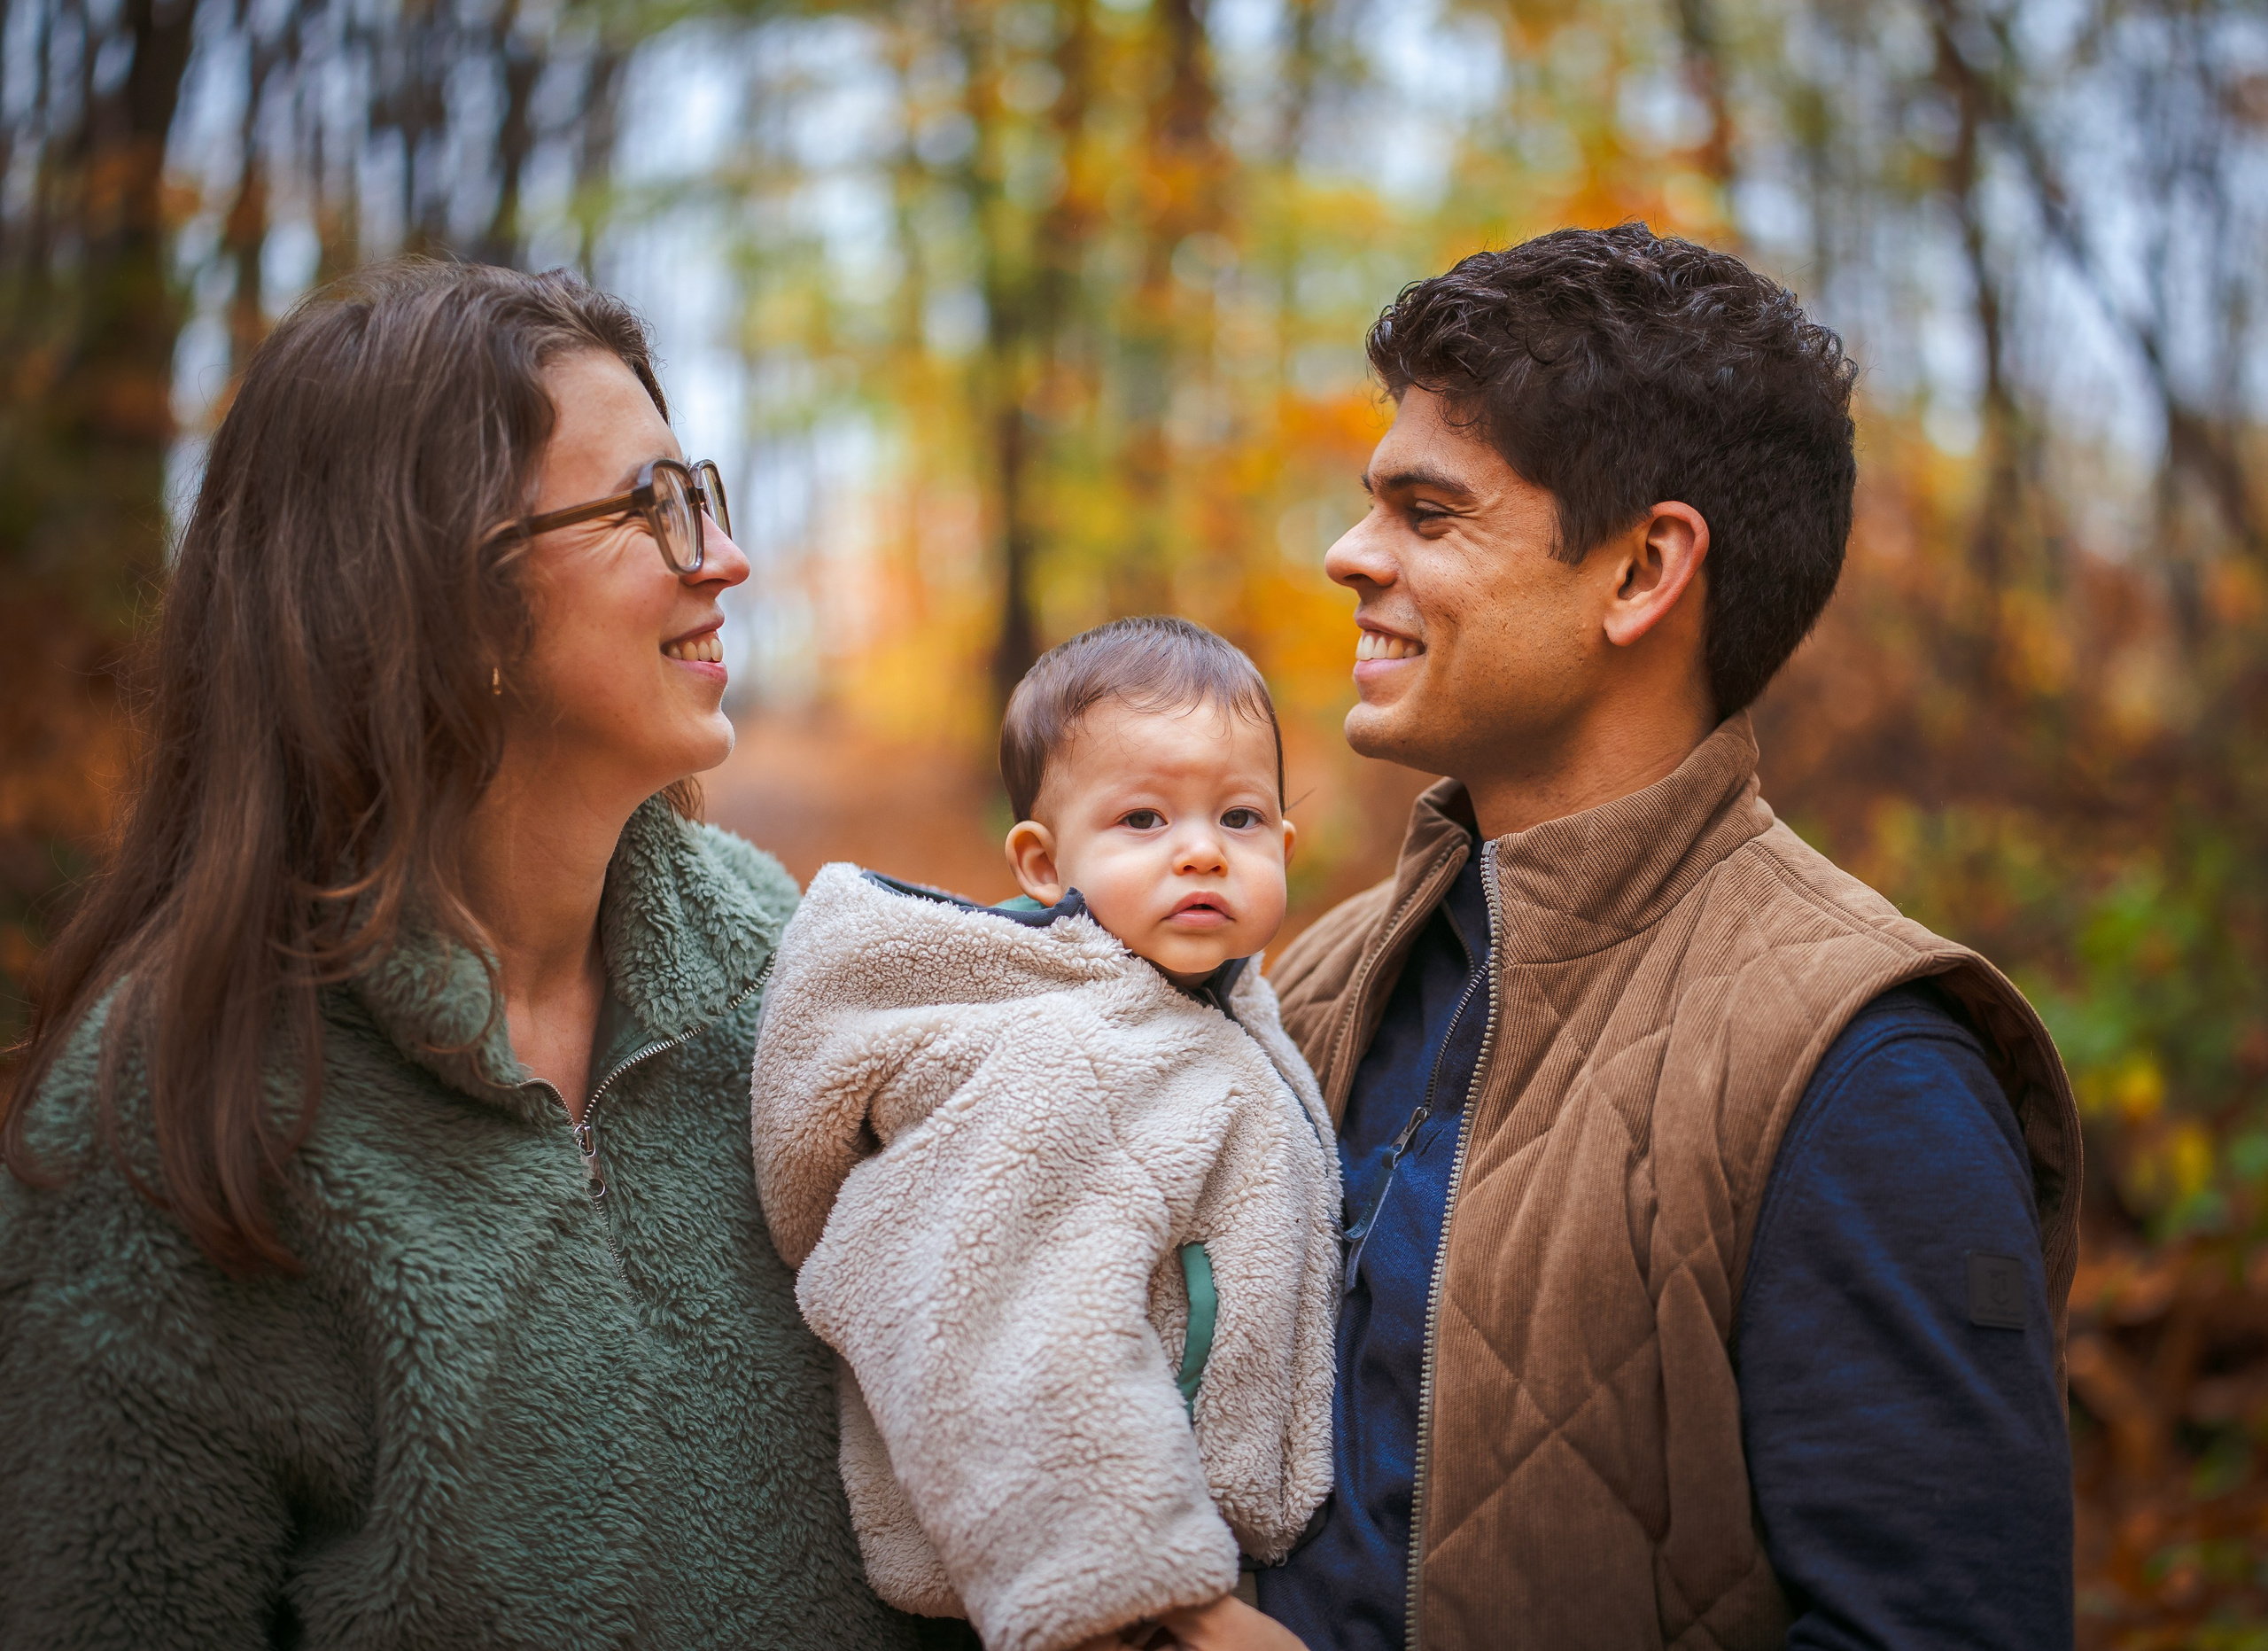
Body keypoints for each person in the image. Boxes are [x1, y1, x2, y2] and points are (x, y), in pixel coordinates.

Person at [0, 260, 913, 1647]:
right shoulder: (169, 1125)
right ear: (435, 592)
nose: (721, 557)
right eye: (648, 507)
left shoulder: (792, 971)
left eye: (703, 492)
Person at [1255, 226, 2084, 1649]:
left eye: (1428, 513)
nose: (1349, 553)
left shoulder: (1863, 1069)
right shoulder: (1310, 976)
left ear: (1643, 571)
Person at [751, 619, 1332, 1651]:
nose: (1201, 847)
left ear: (1283, 846)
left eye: (1239, 816)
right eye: (1143, 818)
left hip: (1183, 1564)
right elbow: (997, 1323)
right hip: (1101, 1590)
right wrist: (1169, 1608)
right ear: (1039, 860)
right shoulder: (1064, 1055)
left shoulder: (1220, 1013)